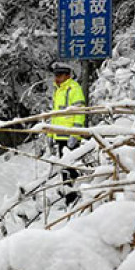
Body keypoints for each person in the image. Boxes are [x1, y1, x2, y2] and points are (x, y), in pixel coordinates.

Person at [49, 62, 86, 206]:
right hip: (60, 135)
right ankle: (68, 197)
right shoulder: (59, 90)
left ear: (67, 75)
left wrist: (75, 135)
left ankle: (74, 197)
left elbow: (79, 112)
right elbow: (56, 115)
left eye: (59, 75)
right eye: (55, 75)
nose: (56, 78)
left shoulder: (73, 89)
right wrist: (52, 135)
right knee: (64, 169)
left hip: (69, 136)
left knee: (71, 169)